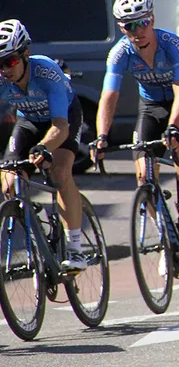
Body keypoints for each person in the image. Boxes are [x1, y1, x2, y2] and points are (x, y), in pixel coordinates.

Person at [93, 0, 179, 245]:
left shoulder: (173, 45)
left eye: (143, 23)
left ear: (152, 19)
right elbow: (108, 97)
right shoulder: (119, 53)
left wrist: (174, 127)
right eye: (130, 26)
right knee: (144, 174)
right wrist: (102, 136)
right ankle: (166, 237)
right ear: (122, 28)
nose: (138, 32)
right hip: (152, 105)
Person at [0, 20, 86, 271]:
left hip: (63, 120)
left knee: (59, 173)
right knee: (9, 181)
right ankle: (35, 228)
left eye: (11, 61)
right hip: (29, 122)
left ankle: (75, 248)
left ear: (26, 54)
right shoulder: (2, 78)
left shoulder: (47, 72)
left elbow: (60, 126)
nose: (5, 69)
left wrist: (44, 147)